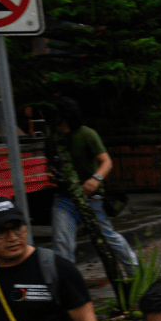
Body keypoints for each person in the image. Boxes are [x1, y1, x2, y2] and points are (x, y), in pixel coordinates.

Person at [47, 98, 138, 268]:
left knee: (108, 237)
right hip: (65, 197)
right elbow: (52, 164)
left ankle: (134, 268)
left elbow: (106, 162)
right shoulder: (53, 138)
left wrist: (95, 179)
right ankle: (69, 284)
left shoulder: (87, 134)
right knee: (61, 243)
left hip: (90, 197)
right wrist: (52, 174)